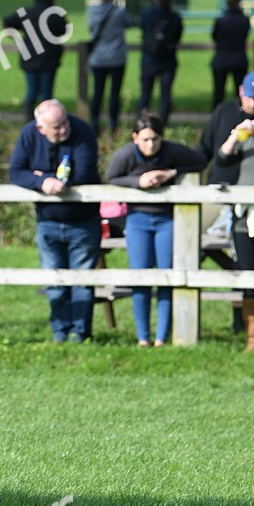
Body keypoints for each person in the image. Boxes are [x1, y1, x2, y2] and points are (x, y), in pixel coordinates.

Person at [106, 114, 208, 347]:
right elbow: (112, 178)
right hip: (137, 219)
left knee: (166, 276)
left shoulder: (172, 151)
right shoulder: (125, 155)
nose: (151, 145)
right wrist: (138, 182)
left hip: (167, 219)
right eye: (145, 140)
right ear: (135, 138)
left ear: (162, 137)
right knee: (140, 276)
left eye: (155, 139)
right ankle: (143, 337)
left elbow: (200, 161)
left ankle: (162, 336)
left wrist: (170, 173)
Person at [9, 99, 101, 343]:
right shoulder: (29, 135)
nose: (63, 129)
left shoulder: (82, 131)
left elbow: (83, 173)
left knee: (82, 281)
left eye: (65, 123)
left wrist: (43, 177)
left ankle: (80, 334)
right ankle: (60, 333)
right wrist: (42, 182)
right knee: (54, 281)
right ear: (41, 128)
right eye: (56, 127)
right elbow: (15, 173)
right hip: (47, 222)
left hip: (84, 221)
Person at [214, 89, 254, 350]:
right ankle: (253, 339)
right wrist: (235, 136)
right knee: (249, 276)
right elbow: (221, 159)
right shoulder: (251, 138)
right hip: (243, 219)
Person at [200, 70, 254, 238]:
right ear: (241, 90)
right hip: (220, 191)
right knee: (197, 233)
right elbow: (205, 149)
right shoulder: (224, 111)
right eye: (249, 97)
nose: (253, 103)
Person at [2, 0, 69, 119]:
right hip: (49, 58)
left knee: (31, 92)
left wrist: (16, 38)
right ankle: (48, 122)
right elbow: (64, 30)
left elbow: (6, 22)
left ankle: (29, 122)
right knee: (47, 94)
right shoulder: (55, 14)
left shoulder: (26, 12)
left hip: (30, 57)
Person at [87, 0, 132, 133]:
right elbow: (129, 23)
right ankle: (113, 123)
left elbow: (91, 29)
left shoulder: (93, 11)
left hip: (98, 58)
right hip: (116, 57)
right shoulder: (119, 12)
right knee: (114, 93)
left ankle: (94, 122)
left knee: (97, 93)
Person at [138, 0, 184, 120]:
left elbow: (143, 30)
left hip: (149, 58)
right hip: (168, 59)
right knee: (165, 94)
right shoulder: (175, 17)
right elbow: (177, 37)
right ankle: (162, 122)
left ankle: (141, 121)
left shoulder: (147, 14)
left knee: (146, 93)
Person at [210, 0, 250, 109]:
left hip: (222, 58)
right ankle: (239, 115)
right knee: (239, 94)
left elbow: (215, 36)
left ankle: (217, 115)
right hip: (239, 58)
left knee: (218, 93)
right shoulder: (244, 20)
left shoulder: (221, 20)